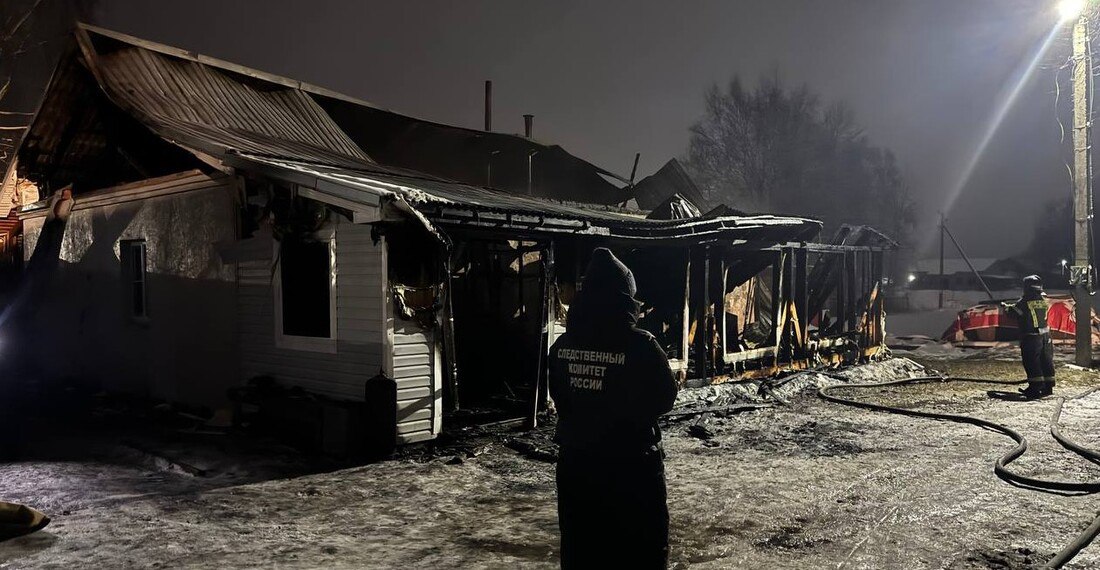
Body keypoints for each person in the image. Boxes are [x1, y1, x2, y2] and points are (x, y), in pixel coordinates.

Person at [548, 248, 679, 569]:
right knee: (640, 551)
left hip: (576, 466)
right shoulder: (642, 345)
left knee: (582, 549)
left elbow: (560, 397)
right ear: (625, 299)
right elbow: (665, 398)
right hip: (632, 467)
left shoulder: (561, 348)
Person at [1002, 275, 1055, 399]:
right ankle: (1048, 386)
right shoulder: (1042, 300)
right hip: (1046, 336)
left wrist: (1006, 307)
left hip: (1031, 337)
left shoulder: (1024, 301)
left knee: (1032, 362)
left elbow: (1014, 313)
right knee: (1046, 361)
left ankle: (1035, 388)